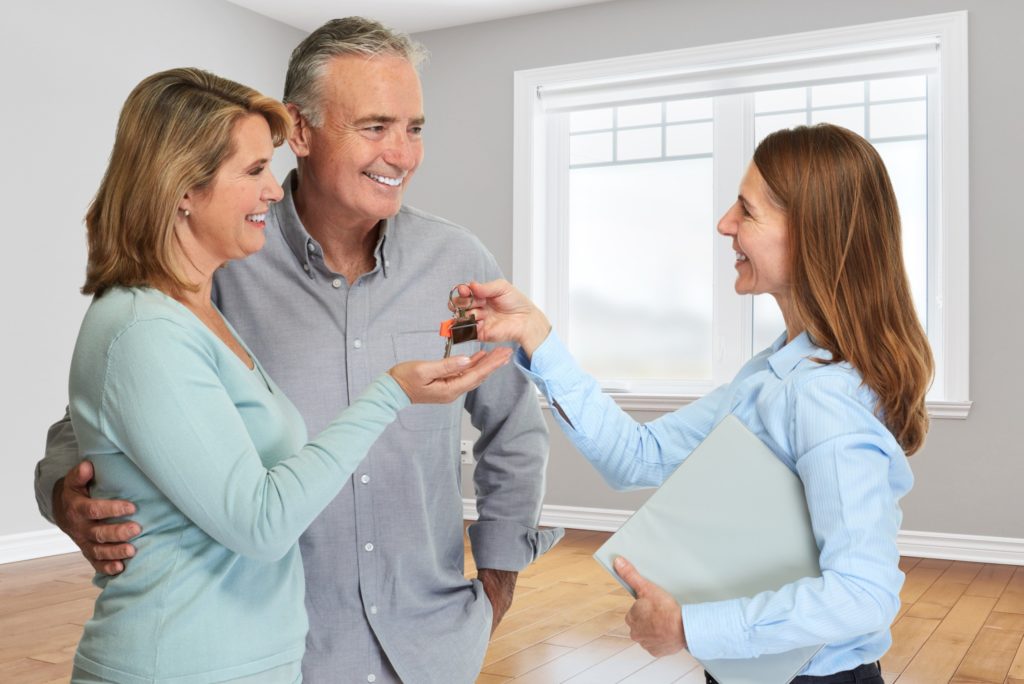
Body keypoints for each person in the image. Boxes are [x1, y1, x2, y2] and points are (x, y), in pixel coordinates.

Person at [36, 18, 559, 684]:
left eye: (415, 128)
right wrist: (63, 494)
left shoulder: (455, 267)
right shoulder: (214, 265)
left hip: (430, 646)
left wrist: (497, 574)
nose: (401, 154)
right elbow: (91, 419)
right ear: (301, 131)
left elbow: (511, 419)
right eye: (374, 127)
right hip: (281, 653)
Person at [457, 124, 934, 683]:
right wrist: (536, 336)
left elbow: (861, 596)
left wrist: (689, 628)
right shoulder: (773, 373)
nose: (725, 224)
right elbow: (635, 456)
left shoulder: (823, 397)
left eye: (747, 211)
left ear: (811, 235)